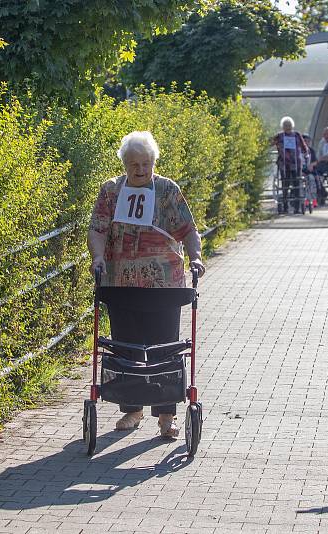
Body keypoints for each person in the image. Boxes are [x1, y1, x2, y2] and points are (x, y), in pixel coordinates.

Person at [87, 130, 206, 438]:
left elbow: (189, 230)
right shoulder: (111, 190)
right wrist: (97, 257)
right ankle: (133, 408)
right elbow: (98, 228)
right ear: (124, 164)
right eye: (133, 165)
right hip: (120, 283)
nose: (139, 170)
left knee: (164, 346)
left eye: (145, 164)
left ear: (154, 162)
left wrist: (196, 257)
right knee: (126, 345)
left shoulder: (167, 190)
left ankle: (167, 416)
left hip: (163, 285)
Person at [272, 117, 308, 214]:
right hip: (284, 164)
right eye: (285, 125)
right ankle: (285, 206)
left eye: (289, 125)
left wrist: (305, 153)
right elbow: (270, 143)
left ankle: (297, 207)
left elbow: (304, 147)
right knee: (285, 185)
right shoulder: (279, 136)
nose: (287, 127)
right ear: (282, 127)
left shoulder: (296, 135)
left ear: (292, 126)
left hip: (296, 162)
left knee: (297, 184)